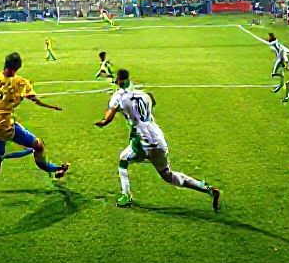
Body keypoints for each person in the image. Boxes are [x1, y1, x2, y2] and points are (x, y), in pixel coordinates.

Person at [94, 68, 221, 210]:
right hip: (158, 139)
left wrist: (103, 121)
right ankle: (208, 189)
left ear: (119, 80)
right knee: (167, 175)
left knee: (123, 160)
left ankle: (126, 195)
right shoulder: (145, 95)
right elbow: (152, 102)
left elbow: (108, 118)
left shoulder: (118, 96)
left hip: (143, 142)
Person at [0, 52, 70, 197]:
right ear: (17, 68)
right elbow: (35, 99)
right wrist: (52, 106)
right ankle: (53, 169)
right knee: (38, 145)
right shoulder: (20, 82)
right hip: (5, 126)